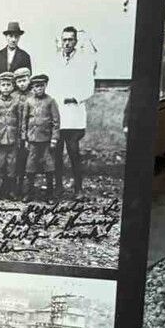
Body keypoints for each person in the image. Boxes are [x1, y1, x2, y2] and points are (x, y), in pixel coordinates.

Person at [48, 26, 96, 199]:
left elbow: (90, 87)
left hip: (74, 114)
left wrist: (75, 97)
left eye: (70, 39)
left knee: (74, 152)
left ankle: (78, 189)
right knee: (57, 154)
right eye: (64, 40)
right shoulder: (55, 60)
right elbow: (51, 85)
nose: (67, 43)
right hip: (58, 114)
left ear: (75, 41)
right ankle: (58, 187)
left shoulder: (84, 61)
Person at [22, 73, 61, 202]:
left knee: (49, 166)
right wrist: (25, 138)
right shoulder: (29, 101)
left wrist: (54, 138)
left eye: (41, 86)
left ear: (45, 86)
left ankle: (50, 194)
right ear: (32, 88)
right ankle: (29, 193)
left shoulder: (50, 101)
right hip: (32, 140)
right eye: (36, 87)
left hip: (46, 140)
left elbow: (56, 122)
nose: (39, 89)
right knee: (30, 166)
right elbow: (24, 121)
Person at [0, 72, 23, 199]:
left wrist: (19, 139)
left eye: (9, 85)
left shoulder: (17, 102)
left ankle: (10, 191)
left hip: (12, 140)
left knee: (11, 166)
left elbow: (20, 121)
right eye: (3, 85)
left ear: (13, 87)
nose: (6, 87)